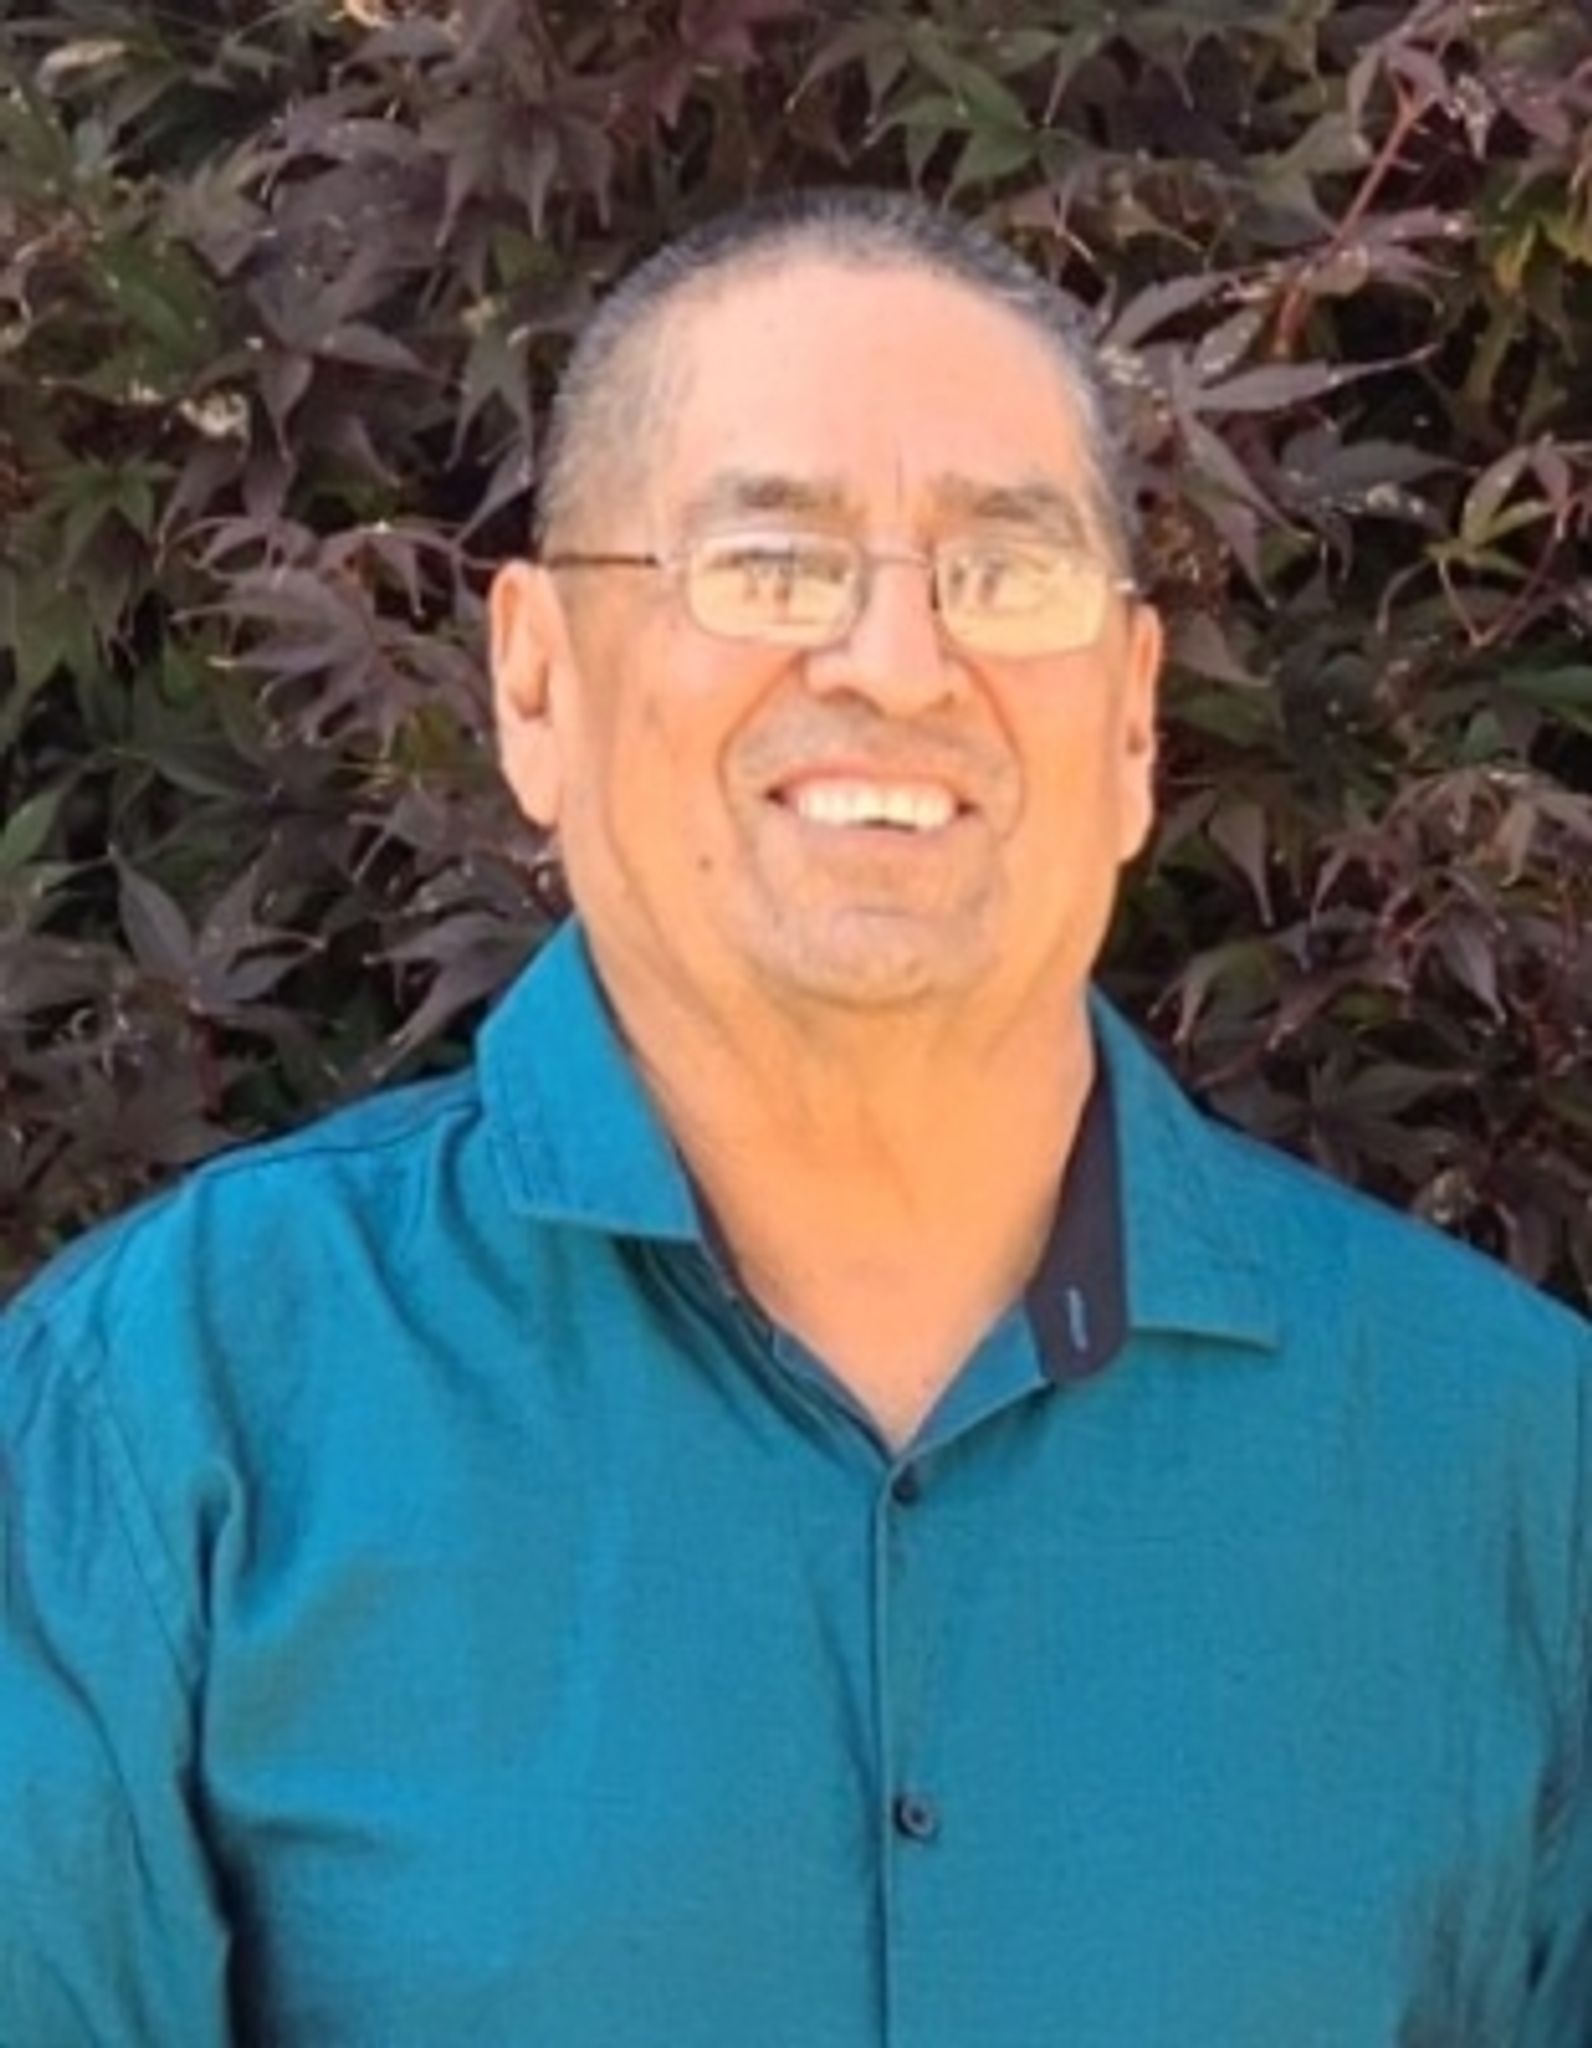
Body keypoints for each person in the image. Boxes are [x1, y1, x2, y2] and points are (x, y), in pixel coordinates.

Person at [2, 186, 1589, 2047]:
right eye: (770, 564)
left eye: (1005, 572)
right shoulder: (165, 1416)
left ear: (1132, 722)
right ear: (536, 680)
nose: (898, 666)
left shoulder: (1513, 1467)